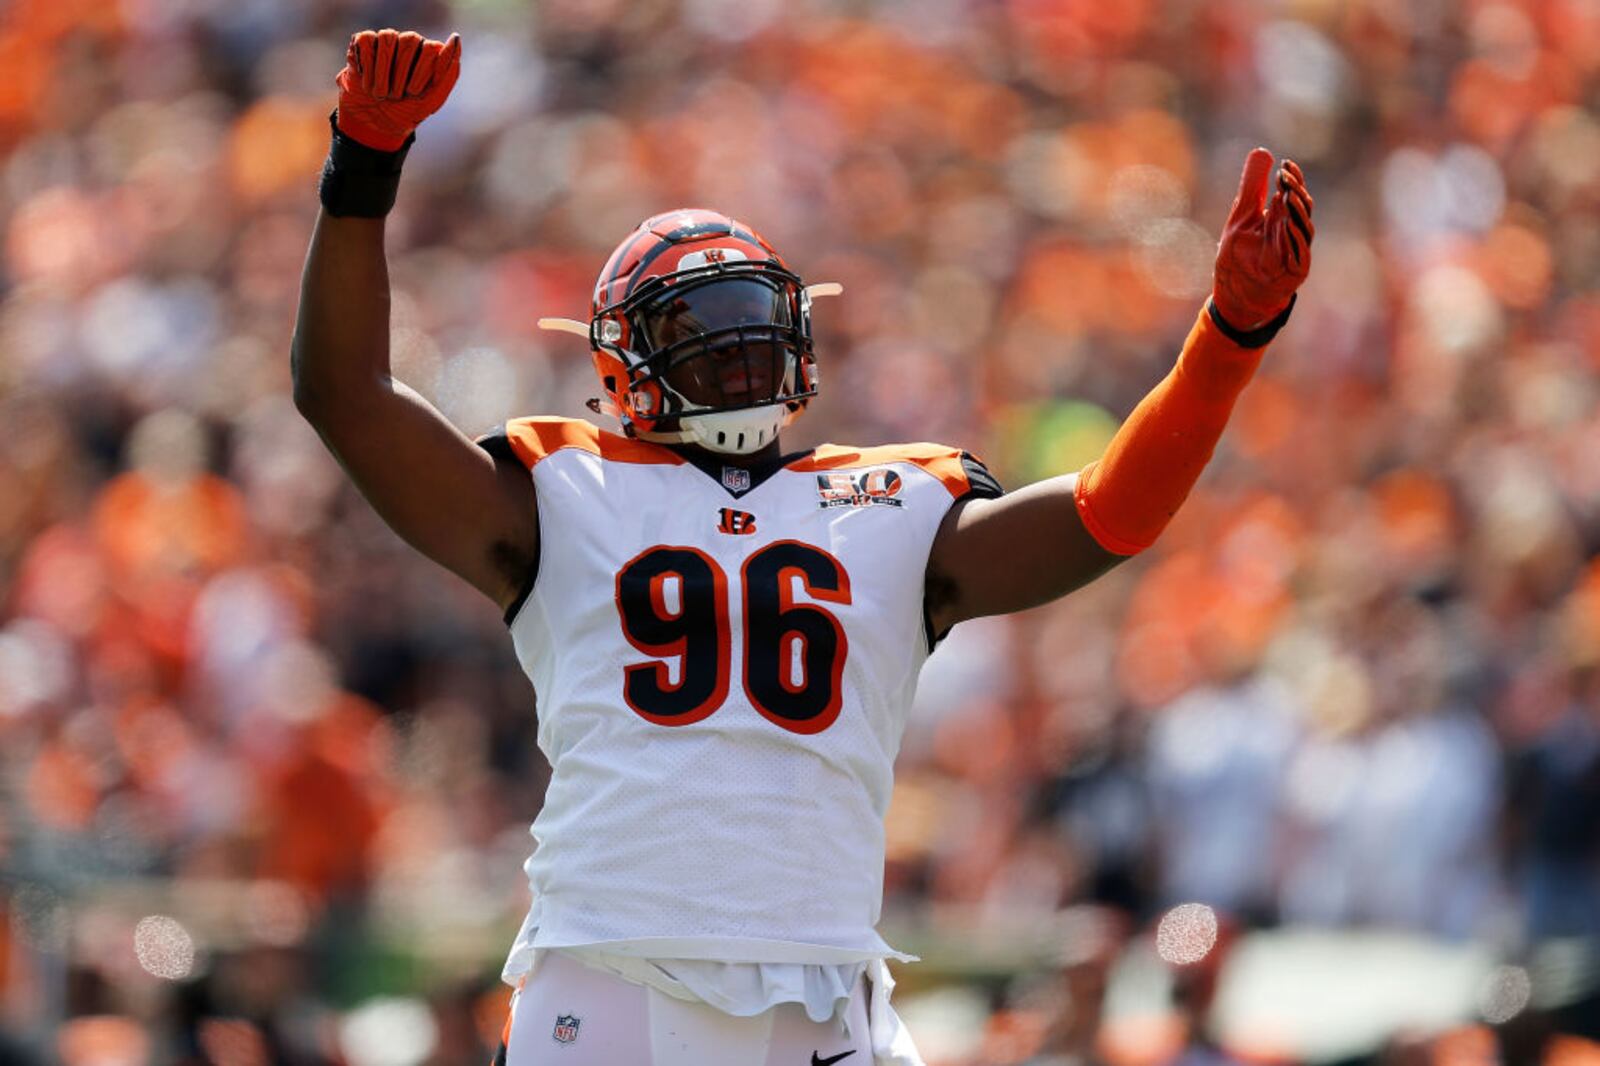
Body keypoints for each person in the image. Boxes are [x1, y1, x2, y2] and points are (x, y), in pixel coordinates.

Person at [291, 28, 1314, 1066]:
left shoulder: (891, 501)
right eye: (695, 324)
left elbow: (1109, 515)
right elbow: (346, 397)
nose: (735, 347)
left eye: (747, 316)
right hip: (613, 971)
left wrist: (1225, 340)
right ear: (623, 366)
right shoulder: (565, 488)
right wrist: (361, 163)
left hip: (824, 984)